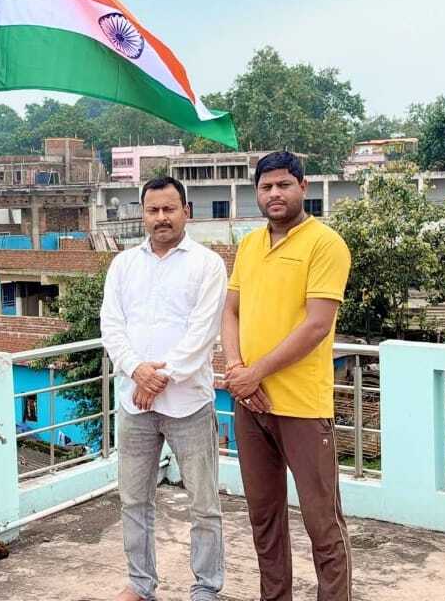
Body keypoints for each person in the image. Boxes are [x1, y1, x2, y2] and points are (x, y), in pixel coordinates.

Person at [220, 151, 354, 601]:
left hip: (302, 406)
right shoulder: (250, 245)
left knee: (322, 523)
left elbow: (317, 326)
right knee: (264, 518)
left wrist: (254, 373)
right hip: (251, 405)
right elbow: (230, 310)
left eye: (283, 184)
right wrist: (237, 370)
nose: (274, 194)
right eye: (266, 187)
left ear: (303, 187)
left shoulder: (325, 244)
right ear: (256, 193)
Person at [100, 176, 228, 601]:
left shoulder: (207, 264)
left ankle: (206, 587)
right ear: (142, 214)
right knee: (134, 500)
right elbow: (111, 326)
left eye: (169, 209)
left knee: (203, 504)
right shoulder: (123, 265)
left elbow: (203, 333)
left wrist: (158, 378)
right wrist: (137, 370)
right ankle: (140, 584)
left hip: (189, 403)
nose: (161, 217)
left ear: (186, 212)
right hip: (134, 403)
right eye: (152, 210)